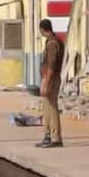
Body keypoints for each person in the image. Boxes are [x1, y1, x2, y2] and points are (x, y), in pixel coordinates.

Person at [36, 19, 65, 148]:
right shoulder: (54, 41)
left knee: (52, 108)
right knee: (47, 108)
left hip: (51, 78)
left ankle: (55, 137)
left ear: (42, 30)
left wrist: (47, 81)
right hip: (49, 77)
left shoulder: (53, 44)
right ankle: (48, 135)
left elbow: (52, 65)